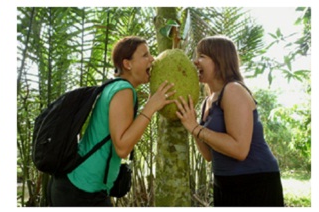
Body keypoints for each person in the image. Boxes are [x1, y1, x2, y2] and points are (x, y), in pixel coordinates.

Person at [49, 36, 175, 206]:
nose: (152, 59)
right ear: (127, 64)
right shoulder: (123, 90)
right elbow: (122, 147)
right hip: (80, 190)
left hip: (84, 186)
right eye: (145, 55)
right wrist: (150, 107)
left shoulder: (115, 86)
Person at [174, 35, 284, 206]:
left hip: (254, 182)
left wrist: (196, 128)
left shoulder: (233, 90)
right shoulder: (207, 101)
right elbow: (209, 155)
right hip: (224, 183)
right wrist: (192, 126)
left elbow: (240, 150)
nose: (195, 62)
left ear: (219, 60)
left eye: (202, 56)